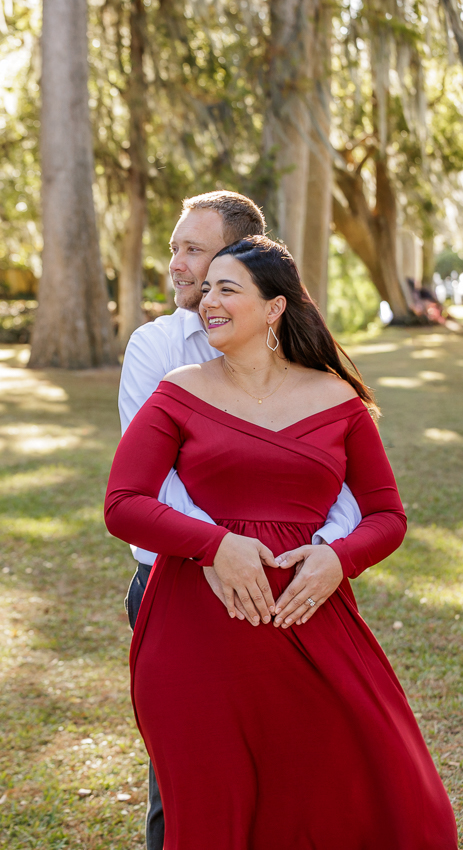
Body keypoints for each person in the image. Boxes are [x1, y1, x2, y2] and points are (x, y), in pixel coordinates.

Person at [106, 236, 457, 848]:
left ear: (274, 308)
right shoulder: (179, 391)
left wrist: (338, 558)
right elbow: (123, 504)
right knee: (216, 816)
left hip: (313, 619)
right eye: (206, 288)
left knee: (388, 787)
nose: (207, 300)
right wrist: (214, 545)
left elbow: (386, 515)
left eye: (226, 288)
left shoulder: (336, 397)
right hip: (196, 636)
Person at [118, 191, 361, 849]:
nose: (175, 264)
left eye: (191, 250)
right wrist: (225, 548)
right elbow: (152, 487)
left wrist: (327, 553)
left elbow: (332, 475)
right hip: (178, 586)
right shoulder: (156, 347)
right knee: (183, 783)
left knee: (294, 769)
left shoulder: (296, 353)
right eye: (174, 248)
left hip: (291, 589)